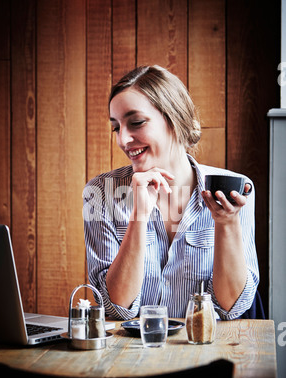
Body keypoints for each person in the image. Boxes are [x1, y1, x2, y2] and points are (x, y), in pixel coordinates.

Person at [83, 65, 259, 324]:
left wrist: (227, 223)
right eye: (116, 127)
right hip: (131, 354)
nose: (123, 139)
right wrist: (139, 216)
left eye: (136, 123)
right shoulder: (99, 193)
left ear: (174, 120)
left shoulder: (235, 188)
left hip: (203, 349)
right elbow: (116, 307)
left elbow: (230, 307)